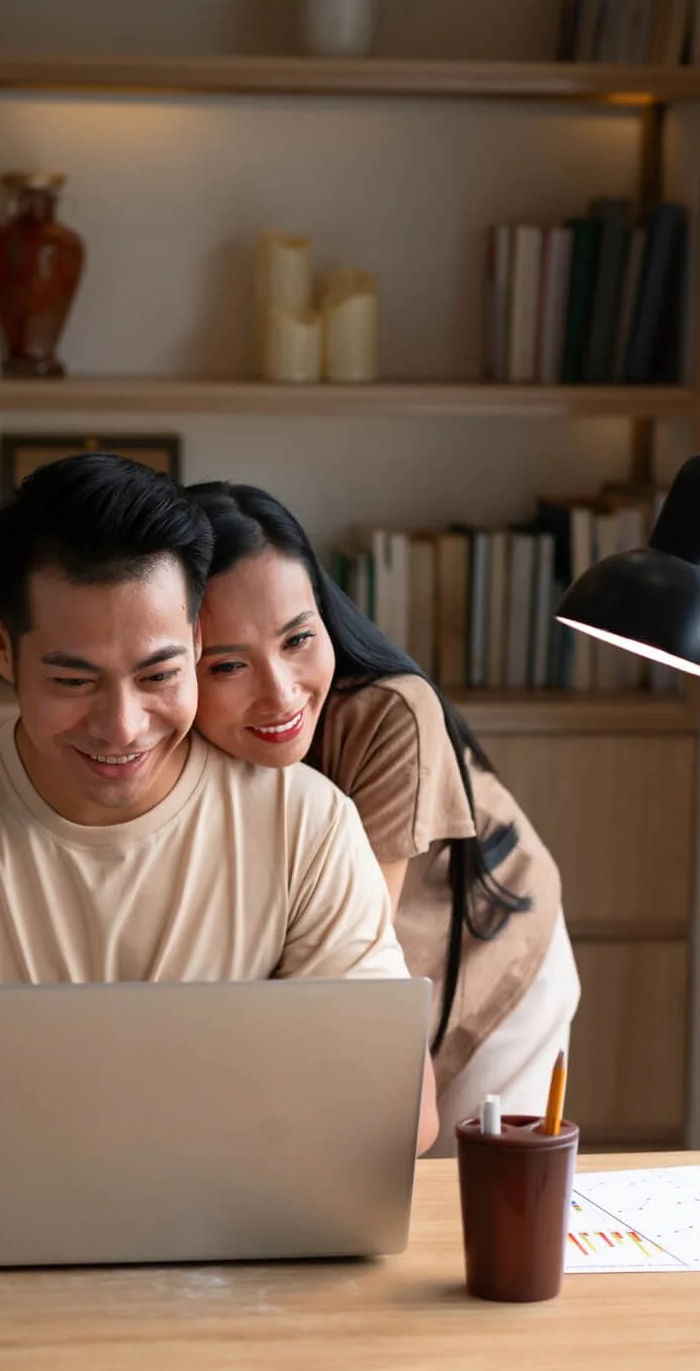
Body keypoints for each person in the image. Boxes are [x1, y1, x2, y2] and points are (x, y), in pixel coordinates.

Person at [0, 454, 438, 1179]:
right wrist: (54, 1162)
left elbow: (401, 1104)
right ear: (2, 645)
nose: (122, 727)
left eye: (158, 676)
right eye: (73, 680)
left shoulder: (308, 825)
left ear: (197, 642)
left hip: (224, 1232)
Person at [185, 480, 580, 1156]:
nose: (280, 692)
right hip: (355, 990)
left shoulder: (389, 714)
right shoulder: (162, 731)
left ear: (325, 614)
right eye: (227, 664)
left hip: (486, 953)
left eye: (298, 639)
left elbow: (351, 955)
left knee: (467, 1209)